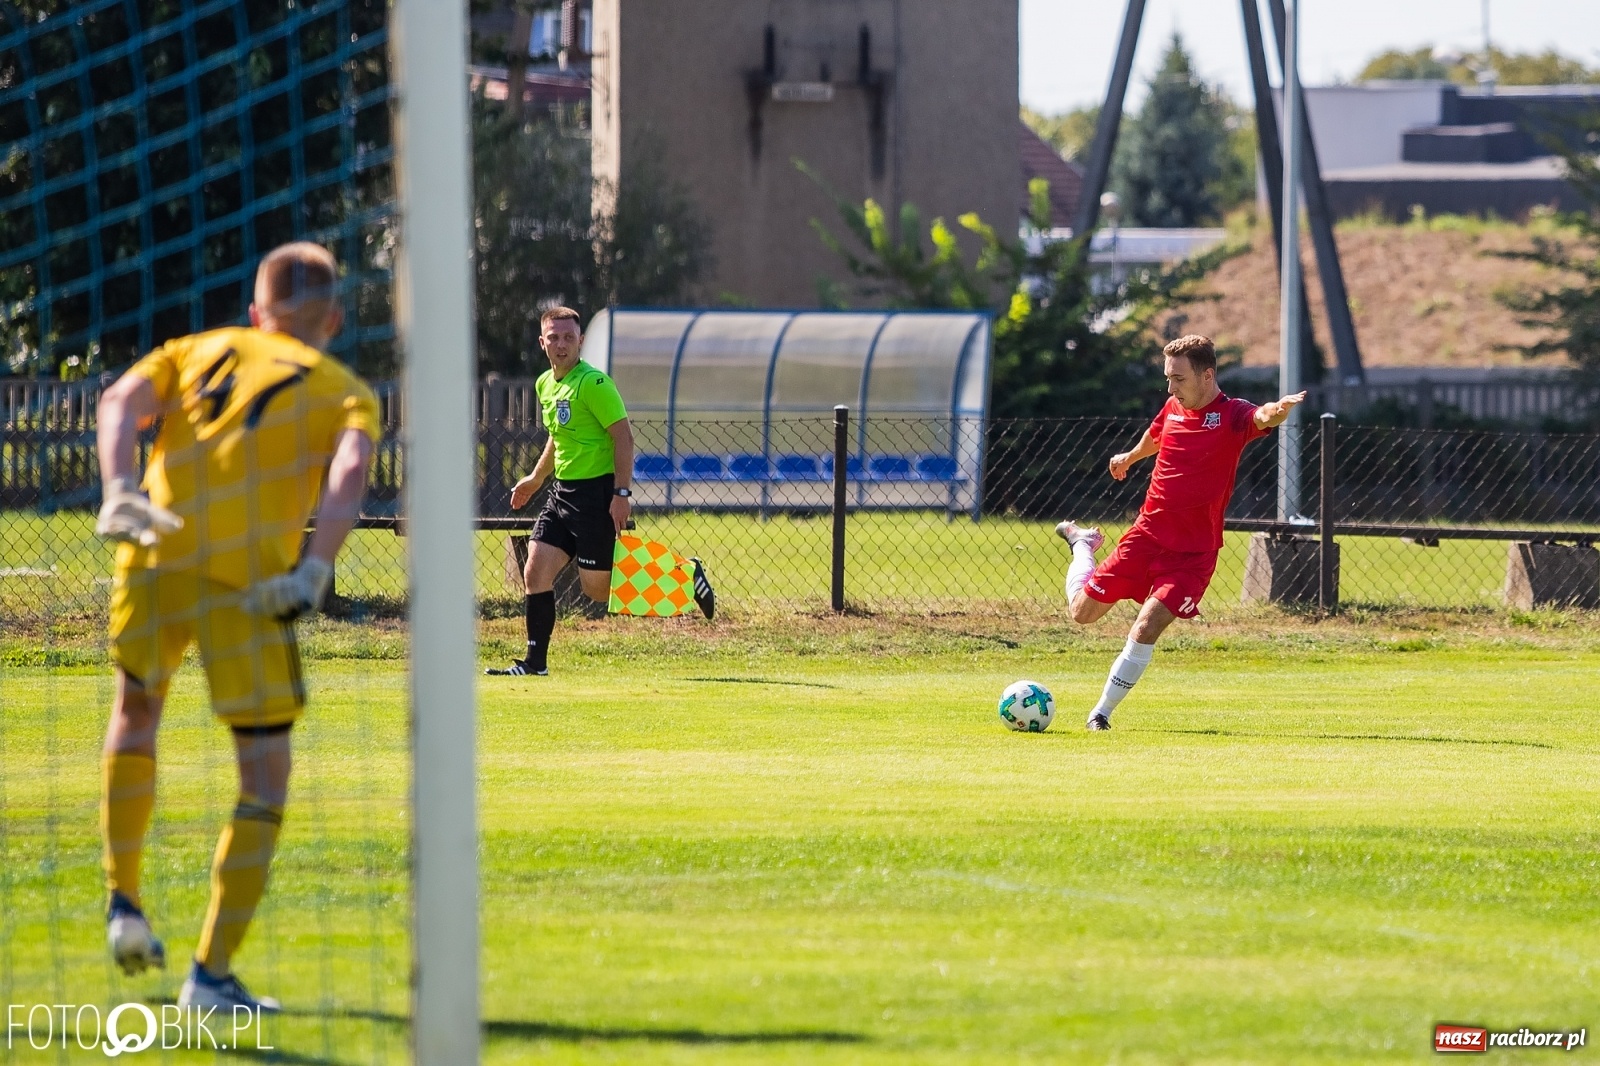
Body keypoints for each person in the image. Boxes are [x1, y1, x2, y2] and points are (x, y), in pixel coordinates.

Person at [95, 242, 379, 1012]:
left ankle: (124, 902)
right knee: (263, 774)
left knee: (136, 712)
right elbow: (350, 473)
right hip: (247, 587)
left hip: (154, 551)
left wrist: (120, 489)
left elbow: (119, 402)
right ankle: (211, 975)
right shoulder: (344, 389)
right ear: (335, 319)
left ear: (256, 313)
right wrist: (315, 568)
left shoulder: (198, 347)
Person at [1057, 334, 1305, 731]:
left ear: (1207, 376)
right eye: (1168, 379)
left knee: (1146, 625)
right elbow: (1157, 435)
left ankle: (1099, 714)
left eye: (1179, 379)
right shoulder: (1173, 406)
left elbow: (1262, 418)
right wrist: (1130, 456)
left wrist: (1277, 410)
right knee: (1081, 615)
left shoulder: (1232, 414)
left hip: (1192, 555)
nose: (1171, 388)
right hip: (1147, 536)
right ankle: (1082, 545)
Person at [488, 307, 715, 677]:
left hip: (596, 496)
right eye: (553, 337)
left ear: (581, 341)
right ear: (542, 342)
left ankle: (686, 574)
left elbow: (623, 437)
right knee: (535, 571)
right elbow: (557, 439)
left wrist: (620, 493)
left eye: (568, 337)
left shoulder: (594, 384)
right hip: (562, 494)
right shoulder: (546, 384)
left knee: (599, 591)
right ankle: (534, 663)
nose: (561, 344)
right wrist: (534, 478)